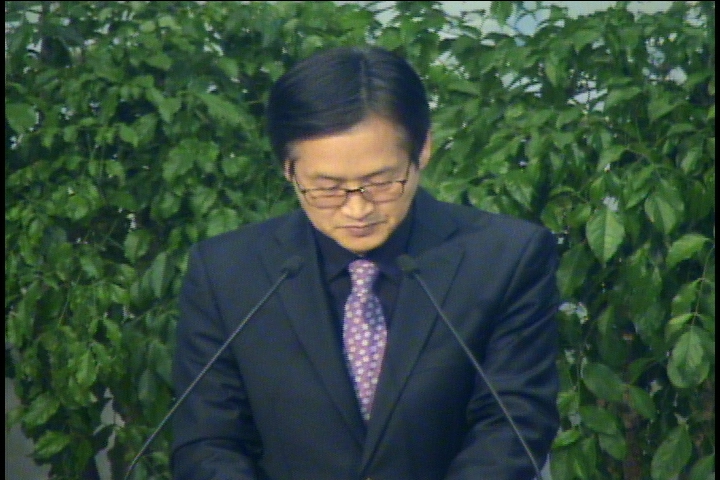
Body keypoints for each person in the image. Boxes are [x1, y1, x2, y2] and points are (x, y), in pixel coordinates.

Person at [171, 45, 559, 480]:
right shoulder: (226, 271)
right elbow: (208, 441)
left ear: (423, 150)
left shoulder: (505, 258)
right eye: (327, 188)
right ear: (287, 169)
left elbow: (511, 427)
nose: (357, 210)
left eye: (381, 182)